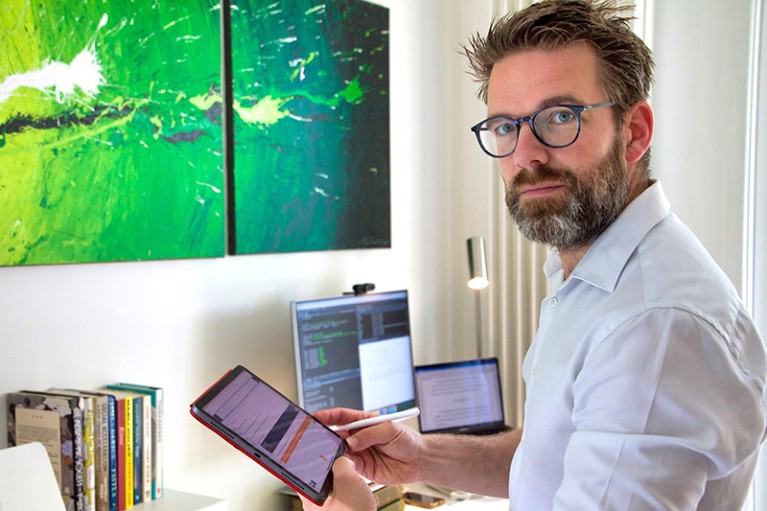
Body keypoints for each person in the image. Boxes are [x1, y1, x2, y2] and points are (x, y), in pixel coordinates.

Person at [301, 1, 767, 509]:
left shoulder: (652, 327)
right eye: (505, 126)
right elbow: (554, 458)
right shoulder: (591, 277)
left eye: (560, 116)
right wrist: (421, 457)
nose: (526, 154)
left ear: (633, 133)